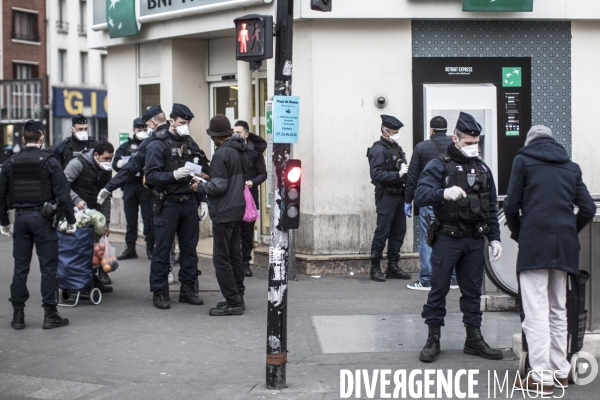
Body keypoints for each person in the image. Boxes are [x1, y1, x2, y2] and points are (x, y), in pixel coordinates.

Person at [505, 126, 596, 395]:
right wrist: (569, 231)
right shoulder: (571, 167)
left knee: (535, 312)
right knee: (558, 309)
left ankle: (541, 376)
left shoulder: (523, 161)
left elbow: (511, 205)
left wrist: (519, 232)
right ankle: (560, 371)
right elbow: (588, 208)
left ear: (529, 141)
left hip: (534, 245)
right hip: (565, 248)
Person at [415, 112, 503, 363]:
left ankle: (473, 339)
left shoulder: (483, 169)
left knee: (473, 292)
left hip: (474, 240)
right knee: (439, 289)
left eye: (477, 143)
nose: (474, 147)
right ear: (455, 138)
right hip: (447, 238)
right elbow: (420, 196)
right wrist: (443, 192)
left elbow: (490, 207)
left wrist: (495, 238)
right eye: (468, 143)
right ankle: (433, 338)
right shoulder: (438, 165)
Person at [0, 120, 76, 330]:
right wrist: (70, 220)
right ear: (41, 138)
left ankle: (18, 316)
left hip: (21, 219)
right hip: (43, 220)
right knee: (48, 268)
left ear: (24, 139)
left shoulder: (10, 162)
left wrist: (4, 222)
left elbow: (0, 195)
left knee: (20, 268)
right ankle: (50, 315)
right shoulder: (50, 162)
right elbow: (64, 194)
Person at [144, 103, 209, 310]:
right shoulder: (158, 144)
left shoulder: (189, 143)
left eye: (188, 123)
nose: (185, 127)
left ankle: (188, 289)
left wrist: (203, 200)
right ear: (171, 121)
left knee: (189, 250)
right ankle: (159, 291)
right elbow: (151, 176)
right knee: (162, 249)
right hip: (167, 204)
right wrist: (173, 175)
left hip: (188, 202)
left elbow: (204, 169)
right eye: (182, 123)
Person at [193, 115, 247, 316]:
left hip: (224, 211)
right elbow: (227, 179)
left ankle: (233, 301)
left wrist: (200, 186)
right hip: (236, 209)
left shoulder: (221, 154)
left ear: (216, 136)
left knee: (221, 259)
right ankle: (238, 296)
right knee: (235, 256)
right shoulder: (239, 150)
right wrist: (211, 176)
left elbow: (219, 186)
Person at [405, 116, 457, 291]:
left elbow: (413, 176)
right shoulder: (454, 146)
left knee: (428, 238)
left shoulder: (421, 147)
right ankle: (454, 278)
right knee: (453, 236)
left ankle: (426, 279)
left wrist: (408, 200)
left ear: (431, 130)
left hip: (430, 199)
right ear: (446, 129)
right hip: (452, 199)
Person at [366, 114, 412, 282]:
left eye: (397, 131)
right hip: (386, 196)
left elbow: (405, 169)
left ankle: (393, 266)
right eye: (393, 131)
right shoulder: (378, 149)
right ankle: (375, 267)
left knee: (399, 232)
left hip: (399, 195)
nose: (396, 134)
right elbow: (376, 174)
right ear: (385, 132)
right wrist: (397, 174)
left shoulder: (397, 148)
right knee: (382, 232)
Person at [64, 141, 114, 291]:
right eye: (105, 159)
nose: (108, 162)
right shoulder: (77, 163)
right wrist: (76, 200)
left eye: (111, 159)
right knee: (79, 249)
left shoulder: (106, 170)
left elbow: (106, 196)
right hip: (76, 215)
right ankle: (77, 281)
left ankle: (93, 279)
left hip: (95, 214)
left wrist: (106, 222)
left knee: (95, 249)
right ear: (96, 155)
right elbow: (62, 184)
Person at [112, 118, 154, 260]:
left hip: (145, 186)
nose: (142, 132)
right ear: (133, 130)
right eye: (139, 129)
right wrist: (119, 163)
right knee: (131, 218)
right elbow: (115, 163)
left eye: (144, 129)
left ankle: (150, 247)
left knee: (148, 217)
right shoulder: (125, 146)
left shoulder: (151, 144)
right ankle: (130, 248)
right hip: (130, 185)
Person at [233, 120, 267, 277]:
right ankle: (235, 262)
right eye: (234, 132)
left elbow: (263, 174)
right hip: (232, 196)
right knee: (234, 231)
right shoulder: (229, 150)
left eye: (239, 132)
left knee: (247, 232)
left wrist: (252, 182)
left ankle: (245, 262)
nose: (236, 135)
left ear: (246, 134)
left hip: (249, 198)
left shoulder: (255, 152)